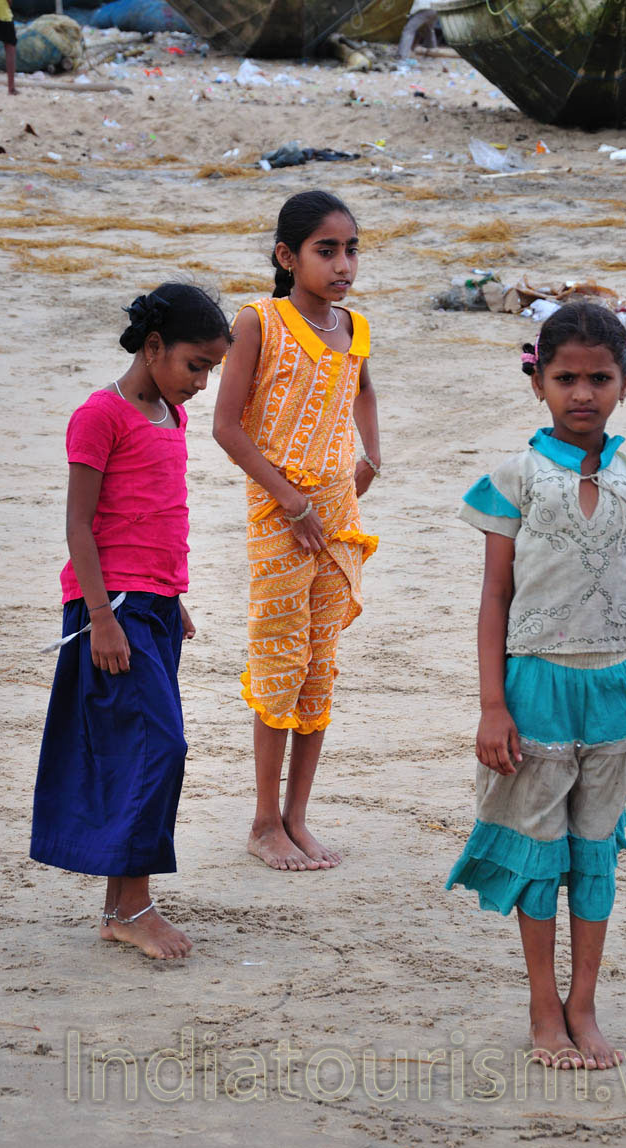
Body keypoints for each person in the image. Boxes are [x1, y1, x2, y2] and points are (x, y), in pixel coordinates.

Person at [446, 301, 626, 1069]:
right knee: (539, 850)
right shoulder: (515, 479)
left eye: (600, 377)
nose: (583, 394)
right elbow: (494, 597)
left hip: (617, 687)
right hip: (534, 686)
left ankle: (583, 1006)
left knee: (595, 850)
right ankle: (542, 1009)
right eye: (566, 378)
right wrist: (492, 705)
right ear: (539, 383)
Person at [31, 283, 232, 959]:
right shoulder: (100, 415)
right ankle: (134, 905)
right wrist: (100, 619)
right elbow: (80, 526)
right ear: (153, 348)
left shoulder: (170, 419)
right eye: (195, 366)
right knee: (159, 746)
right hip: (109, 611)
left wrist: (171, 597)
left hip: (153, 608)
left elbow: (152, 517)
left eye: (211, 370)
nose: (202, 384)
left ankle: (121, 908)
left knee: (143, 748)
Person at [214, 190, 381, 872]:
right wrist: (291, 502)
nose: (343, 264)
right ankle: (262, 822)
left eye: (351, 250)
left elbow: (362, 390)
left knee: (318, 668)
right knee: (279, 664)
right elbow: (227, 428)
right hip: (281, 522)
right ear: (287, 256)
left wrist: (372, 456)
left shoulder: (354, 326)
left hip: (336, 517)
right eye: (326, 250)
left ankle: (297, 818)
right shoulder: (259, 321)